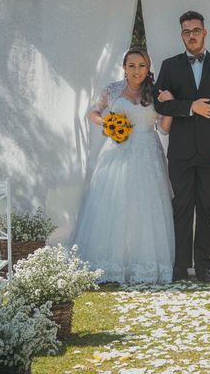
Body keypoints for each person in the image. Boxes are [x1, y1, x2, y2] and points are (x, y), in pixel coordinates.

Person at [73, 48, 175, 284]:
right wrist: (108, 123)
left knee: (146, 208)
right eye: (132, 65)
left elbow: (165, 129)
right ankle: (111, 266)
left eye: (141, 65)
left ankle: (142, 265)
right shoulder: (113, 89)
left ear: (148, 67)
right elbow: (93, 112)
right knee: (114, 205)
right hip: (116, 153)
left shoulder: (156, 91)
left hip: (148, 152)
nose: (136, 70)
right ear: (124, 67)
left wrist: (170, 107)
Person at [154, 11, 210, 283]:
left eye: (196, 30)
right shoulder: (169, 66)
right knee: (181, 210)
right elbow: (160, 104)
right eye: (187, 31)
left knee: (207, 211)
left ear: (205, 32)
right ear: (181, 36)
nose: (192, 35)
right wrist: (191, 106)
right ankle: (180, 268)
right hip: (180, 152)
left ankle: (202, 267)